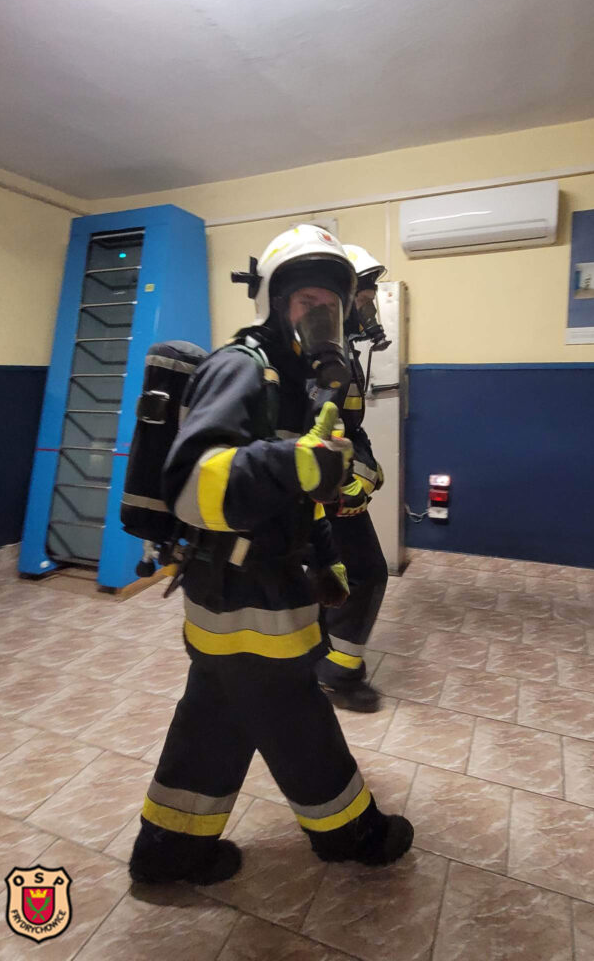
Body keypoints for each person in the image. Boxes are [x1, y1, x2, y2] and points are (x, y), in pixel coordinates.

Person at [128, 225, 413, 885]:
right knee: (294, 717)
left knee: (215, 717)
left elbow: (307, 493)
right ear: (275, 302)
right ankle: (352, 833)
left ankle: (168, 849)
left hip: (262, 584)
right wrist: (293, 464)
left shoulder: (302, 381)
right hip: (243, 594)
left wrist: (329, 549)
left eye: (330, 304)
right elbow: (191, 487)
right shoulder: (241, 367)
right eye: (306, 300)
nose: (320, 314)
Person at [313, 244, 391, 713]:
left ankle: (323, 661)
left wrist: (367, 468)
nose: (372, 302)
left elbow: (349, 429)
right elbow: (319, 433)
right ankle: (338, 672)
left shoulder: (340, 349)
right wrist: (352, 480)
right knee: (366, 572)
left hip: (333, 487)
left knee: (335, 572)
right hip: (325, 492)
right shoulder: (322, 353)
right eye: (366, 292)